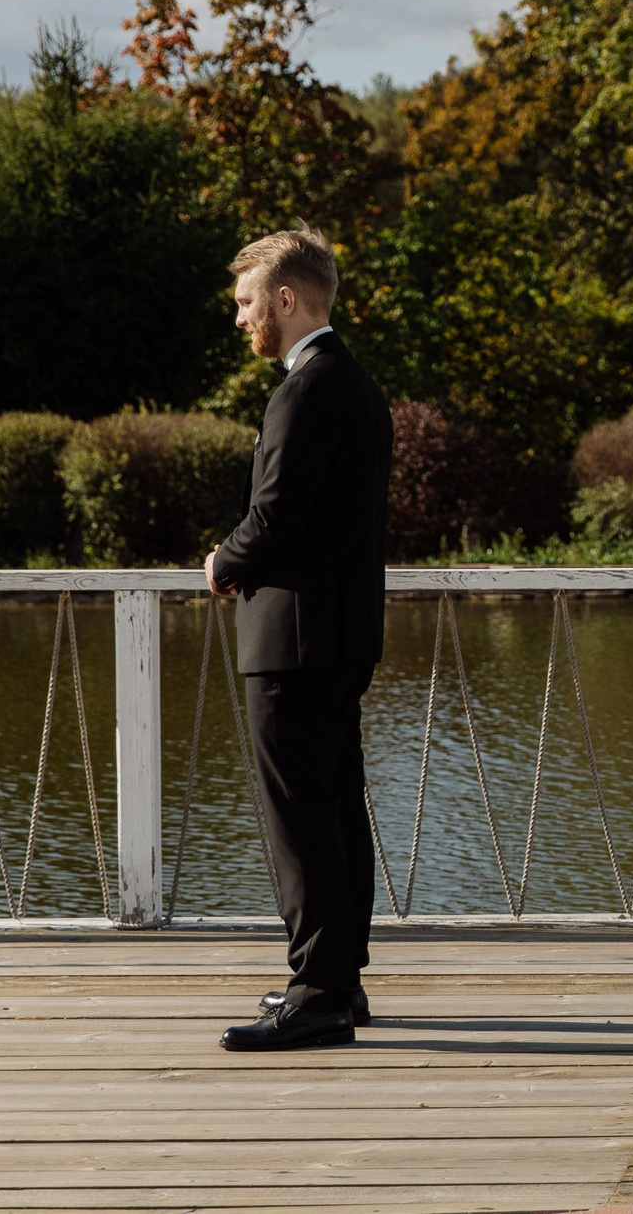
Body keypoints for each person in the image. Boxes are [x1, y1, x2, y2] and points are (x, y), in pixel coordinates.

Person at [203, 228, 394, 1053]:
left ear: (287, 299)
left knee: (300, 818)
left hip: (295, 636)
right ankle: (339, 977)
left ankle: (316, 994)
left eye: (248, 302)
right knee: (336, 809)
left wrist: (221, 560)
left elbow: (277, 513)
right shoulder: (353, 382)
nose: (243, 319)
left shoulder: (306, 389)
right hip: (339, 631)